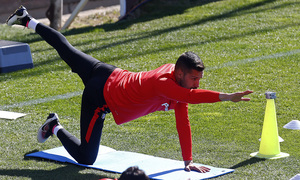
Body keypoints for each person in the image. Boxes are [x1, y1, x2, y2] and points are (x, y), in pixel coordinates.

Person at [6, 6, 253, 173]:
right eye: (194, 78)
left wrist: (187, 161)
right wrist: (227, 97)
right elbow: (190, 96)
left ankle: (27, 19)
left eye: (199, 79)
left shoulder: (176, 83)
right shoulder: (165, 84)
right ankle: (54, 126)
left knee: (67, 49)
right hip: (98, 97)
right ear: (179, 74)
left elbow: (183, 119)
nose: (197, 84)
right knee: (85, 158)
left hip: (107, 72)